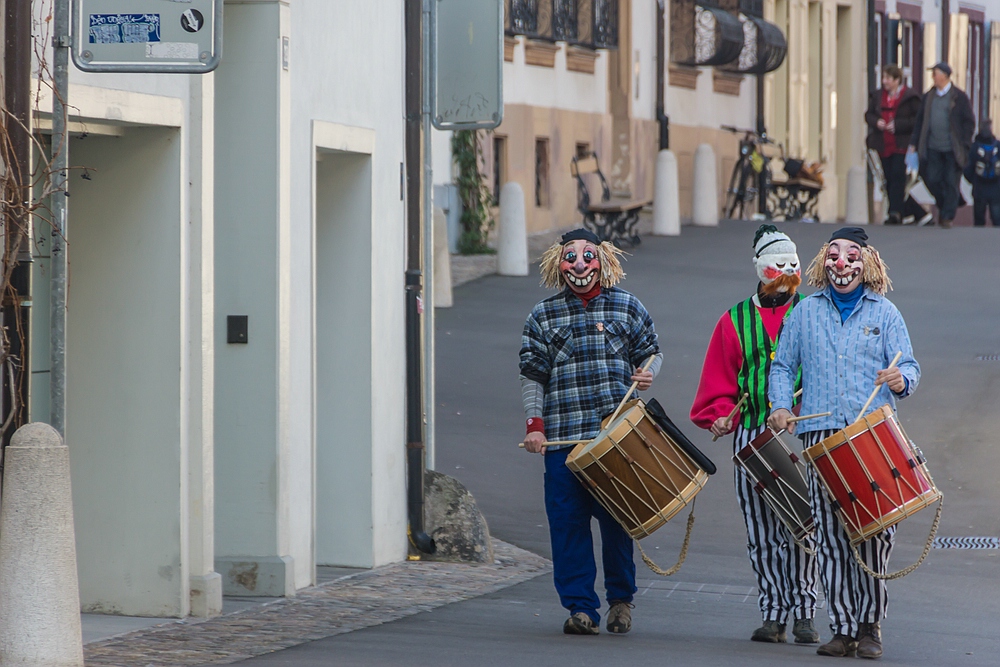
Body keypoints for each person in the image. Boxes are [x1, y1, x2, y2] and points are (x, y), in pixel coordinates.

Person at [768, 227, 920, 660]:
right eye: (833, 258)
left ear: (867, 263)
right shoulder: (804, 313)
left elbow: (908, 365)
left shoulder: (886, 313)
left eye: (850, 259)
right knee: (831, 537)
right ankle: (842, 628)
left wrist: (901, 378)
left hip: (871, 436)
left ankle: (870, 626)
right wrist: (780, 404)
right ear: (823, 263)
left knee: (874, 534)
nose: (841, 267)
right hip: (819, 438)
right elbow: (782, 367)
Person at [519, 228, 662, 636]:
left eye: (587, 257)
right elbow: (532, 375)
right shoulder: (542, 316)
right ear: (557, 263)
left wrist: (648, 372)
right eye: (570, 258)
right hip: (562, 440)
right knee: (568, 526)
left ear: (603, 260)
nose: (579, 265)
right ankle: (581, 608)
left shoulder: (628, 306)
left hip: (615, 440)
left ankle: (621, 602)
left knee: (618, 522)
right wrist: (534, 425)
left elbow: (652, 350)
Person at [690, 224, 820, 646]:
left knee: (805, 525)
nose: (785, 272)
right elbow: (719, 382)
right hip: (750, 435)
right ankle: (773, 613)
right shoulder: (733, 320)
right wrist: (722, 415)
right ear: (761, 268)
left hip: (801, 431)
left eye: (791, 264)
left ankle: (805, 611)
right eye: (777, 264)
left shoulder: (812, 312)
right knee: (761, 529)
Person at [908, 62, 976, 228]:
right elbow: (920, 122)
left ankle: (947, 216)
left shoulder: (958, 97)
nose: (933, 77)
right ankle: (945, 202)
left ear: (945, 76)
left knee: (951, 181)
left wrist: (965, 143)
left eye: (935, 73)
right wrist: (913, 143)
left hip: (953, 149)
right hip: (932, 147)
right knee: (932, 177)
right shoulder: (928, 97)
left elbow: (969, 122)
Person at [865, 65, 930, 225]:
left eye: (887, 78)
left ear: (896, 80)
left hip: (902, 145)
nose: (884, 81)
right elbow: (868, 114)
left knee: (898, 178)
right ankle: (918, 213)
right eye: (883, 78)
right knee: (888, 179)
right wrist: (877, 122)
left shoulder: (910, 97)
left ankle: (895, 213)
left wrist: (898, 125)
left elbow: (918, 120)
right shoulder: (878, 96)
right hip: (883, 145)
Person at [962, 119, 1000, 227]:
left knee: (979, 222)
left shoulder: (974, 147)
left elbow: (967, 168)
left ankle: (978, 239)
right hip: (996, 189)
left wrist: (973, 180)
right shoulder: (997, 146)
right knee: (997, 221)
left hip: (979, 189)